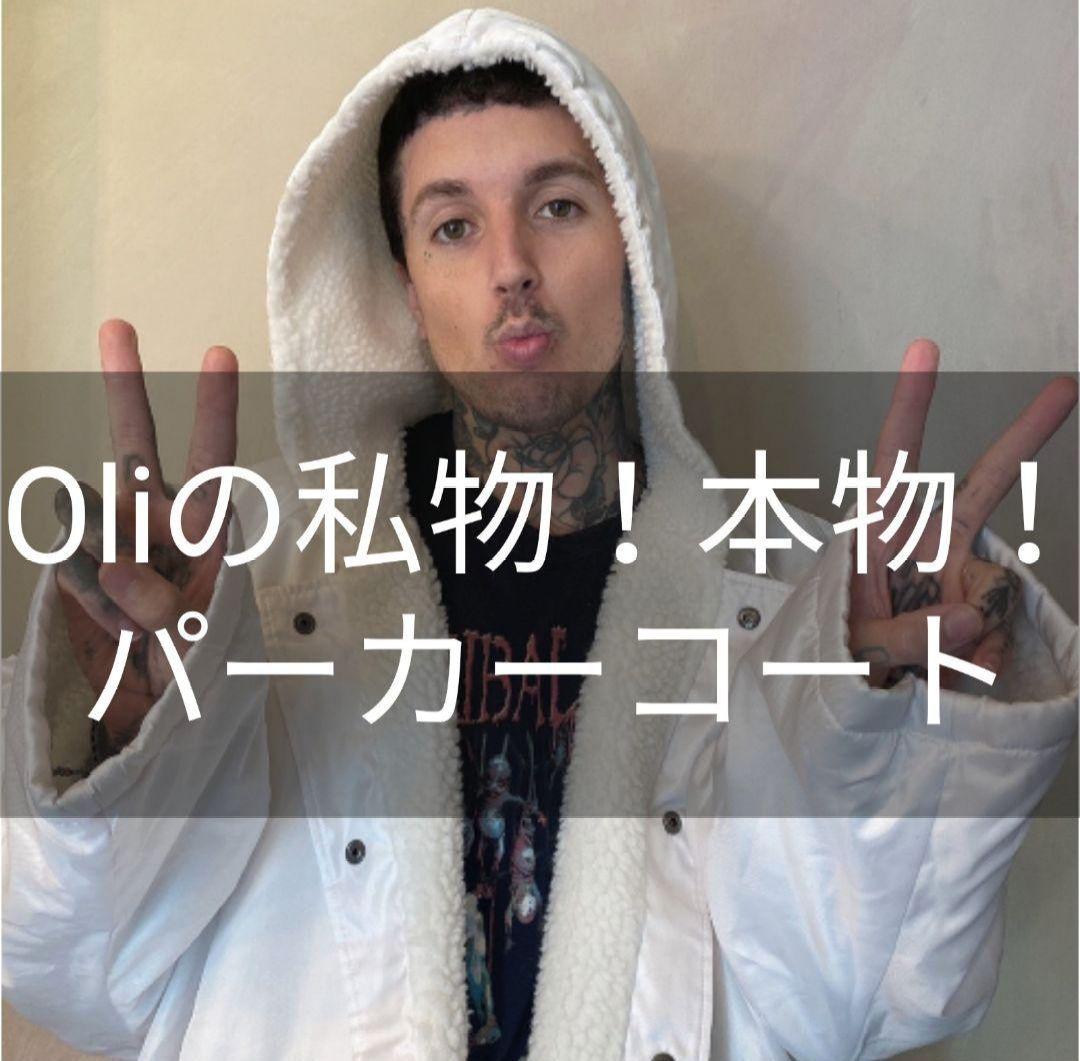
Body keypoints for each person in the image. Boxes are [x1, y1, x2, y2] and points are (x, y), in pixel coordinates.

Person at [3, 9, 1077, 1060]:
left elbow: (880, 998)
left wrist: (875, 739)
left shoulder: (805, 609)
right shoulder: (242, 584)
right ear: (408, 291)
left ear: (632, 247)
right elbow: (78, 974)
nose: (511, 264)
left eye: (558, 207)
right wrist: (131, 743)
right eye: (453, 226)